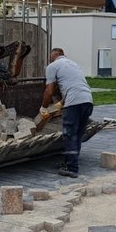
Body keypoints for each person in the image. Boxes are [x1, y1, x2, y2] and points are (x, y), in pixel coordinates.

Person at [41, 47, 94, 178]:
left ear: (53, 56)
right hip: (88, 100)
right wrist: (61, 103)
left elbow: (49, 90)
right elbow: (73, 85)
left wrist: (44, 107)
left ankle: (72, 169)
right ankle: (69, 163)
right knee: (77, 134)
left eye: (50, 57)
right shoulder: (74, 64)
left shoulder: (53, 66)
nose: (49, 59)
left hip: (74, 103)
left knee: (69, 135)